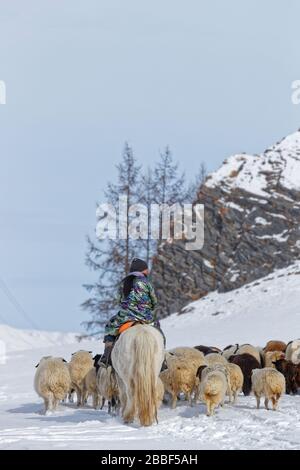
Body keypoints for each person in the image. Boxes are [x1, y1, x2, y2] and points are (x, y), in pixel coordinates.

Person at [101, 258, 163, 365]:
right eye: (146, 269)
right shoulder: (146, 282)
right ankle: (163, 357)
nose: (148, 271)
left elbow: (119, 299)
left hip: (126, 316)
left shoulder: (124, 282)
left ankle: (106, 356)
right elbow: (154, 300)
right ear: (143, 270)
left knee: (110, 327)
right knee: (158, 330)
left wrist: (126, 306)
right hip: (145, 316)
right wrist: (150, 308)